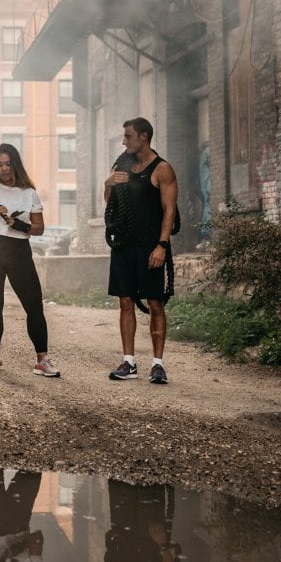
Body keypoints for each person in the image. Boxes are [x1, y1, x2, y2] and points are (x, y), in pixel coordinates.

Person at [0, 143, 60, 377]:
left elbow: (39, 229)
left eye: (8, 164)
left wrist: (20, 225)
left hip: (18, 250)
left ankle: (42, 360)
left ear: (15, 164)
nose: (4, 169)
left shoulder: (29, 193)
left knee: (34, 306)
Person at [103, 118, 178, 384]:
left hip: (150, 248)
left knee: (155, 303)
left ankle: (158, 365)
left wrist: (162, 245)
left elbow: (169, 211)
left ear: (144, 137)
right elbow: (110, 207)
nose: (124, 142)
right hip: (123, 245)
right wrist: (109, 184)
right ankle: (129, 362)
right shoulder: (122, 167)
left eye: (128, 136)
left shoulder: (162, 169)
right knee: (125, 302)